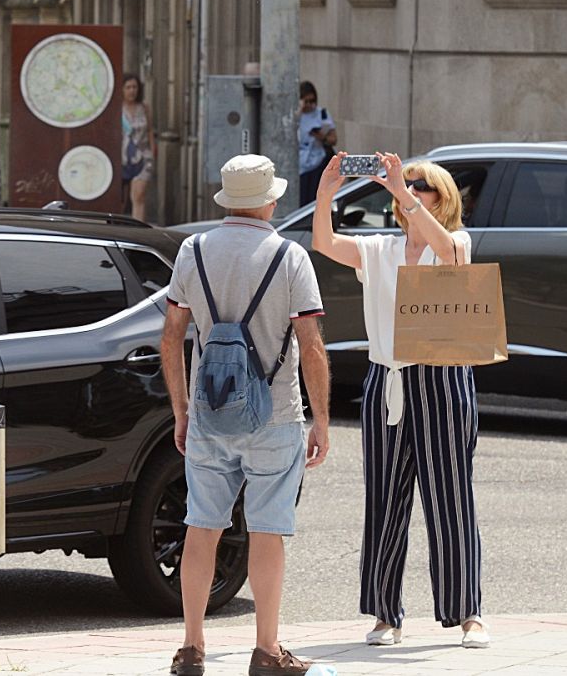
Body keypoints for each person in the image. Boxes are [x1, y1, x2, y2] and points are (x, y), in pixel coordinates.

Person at [311, 151, 489, 650]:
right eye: (403, 182)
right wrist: (327, 191)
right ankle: (385, 613)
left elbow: (451, 254)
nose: (406, 188)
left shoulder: (454, 242)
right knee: (385, 500)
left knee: (451, 498)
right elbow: (323, 243)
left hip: (443, 379)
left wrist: (400, 193)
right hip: (386, 381)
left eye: (419, 185)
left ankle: (468, 612)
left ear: (442, 197)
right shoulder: (380, 249)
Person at [161, 154, 332, 676]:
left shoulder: (193, 250)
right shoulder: (289, 257)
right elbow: (311, 345)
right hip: (276, 415)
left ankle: (191, 648)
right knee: (267, 531)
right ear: (270, 201)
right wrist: (321, 419)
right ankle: (266, 650)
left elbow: (171, 340)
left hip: (209, 414)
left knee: (201, 528)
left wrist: (181, 411)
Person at [121, 74, 158, 223]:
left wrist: (153, 150)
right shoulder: (117, 108)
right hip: (122, 157)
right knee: (122, 199)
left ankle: (138, 227)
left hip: (143, 156)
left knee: (139, 194)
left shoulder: (144, 108)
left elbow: (150, 130)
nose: (132, 91)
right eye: (128, 87)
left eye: (134, 87)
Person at [297, 81, 337, 206]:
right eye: (306, 101)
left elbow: (333, 138)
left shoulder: (321, 114)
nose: (309, 105)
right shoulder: (296, 115)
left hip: (318, 162)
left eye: (312, 101)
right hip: (300, 163)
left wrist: (322, 137)